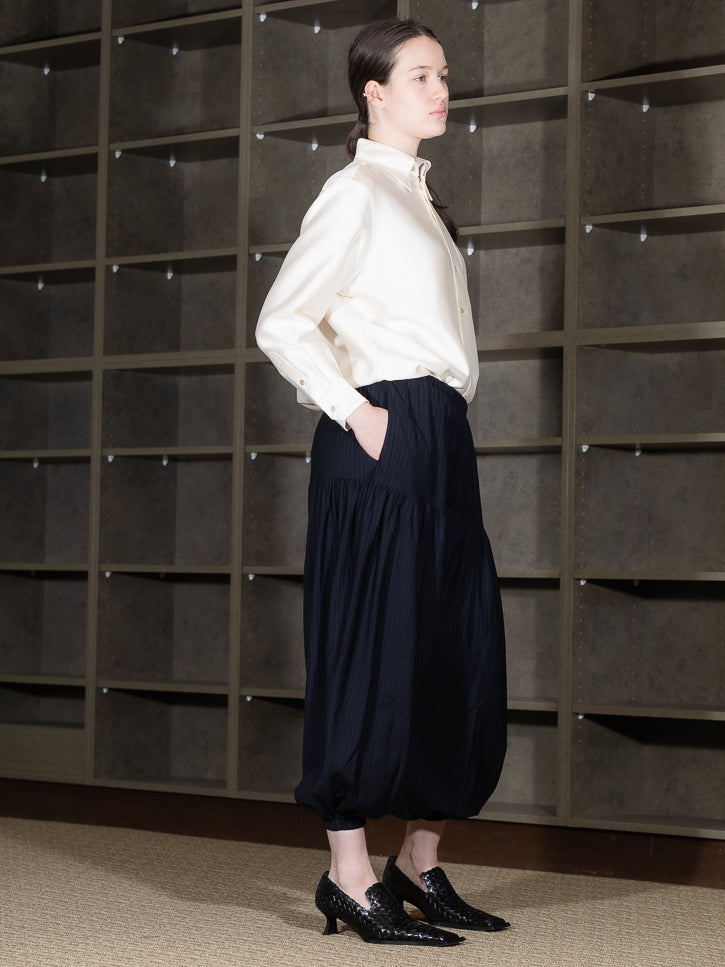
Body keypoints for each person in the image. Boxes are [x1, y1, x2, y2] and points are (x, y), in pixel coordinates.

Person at [256, 17, 508, 947]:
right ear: (374, 90)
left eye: (444, 75)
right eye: (421, 76)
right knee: (367, 647)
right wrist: (355, 412)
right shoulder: (354, 191)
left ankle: (417, 862)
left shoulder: (421, 201)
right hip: (382, 431)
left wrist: (431, 425)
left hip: (439, 433)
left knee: (454, 648)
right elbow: (283, 321)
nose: (441, 90)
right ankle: (348, 872)